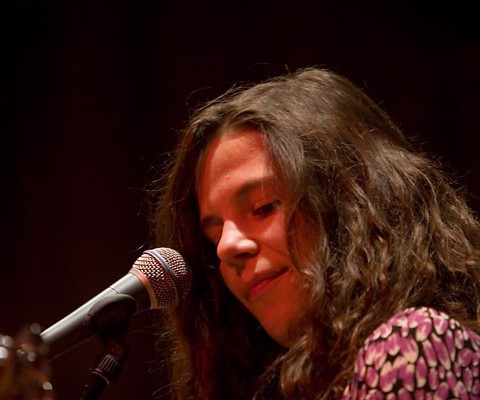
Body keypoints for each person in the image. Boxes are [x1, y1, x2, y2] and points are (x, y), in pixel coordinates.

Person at [151, 68, 480, 399]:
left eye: (264, 207)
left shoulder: (412, 344)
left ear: (352, 205)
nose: (226, 247)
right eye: (215, 234)